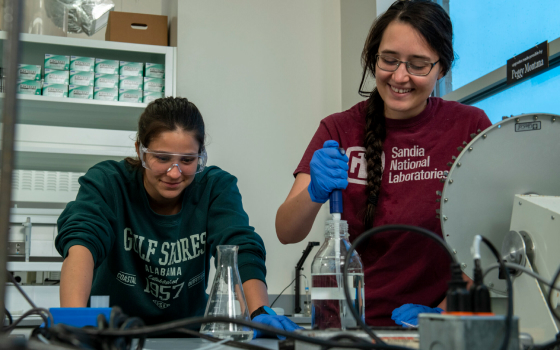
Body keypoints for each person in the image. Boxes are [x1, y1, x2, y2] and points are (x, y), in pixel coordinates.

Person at [276, 0, 492, 327]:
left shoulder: (469, 128)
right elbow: (286, 230)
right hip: (349, 328)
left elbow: (489, 235)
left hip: (433, 330)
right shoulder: (338, 129)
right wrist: (313, 193)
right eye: (389, 60)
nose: (400, 76)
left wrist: (447, 312)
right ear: (373, 58)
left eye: (418, 65)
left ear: (442, 68)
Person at [56, 97, 300, 338]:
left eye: (187, 160)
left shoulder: (215, 188)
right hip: (112, 338)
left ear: (200, 155)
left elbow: (239, 246)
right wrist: (74, 324)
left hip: (189, 338)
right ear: (140, 150)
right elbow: (82, 241)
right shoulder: (109, 182)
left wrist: (258, 312)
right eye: (162, 158)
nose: (174, 173)